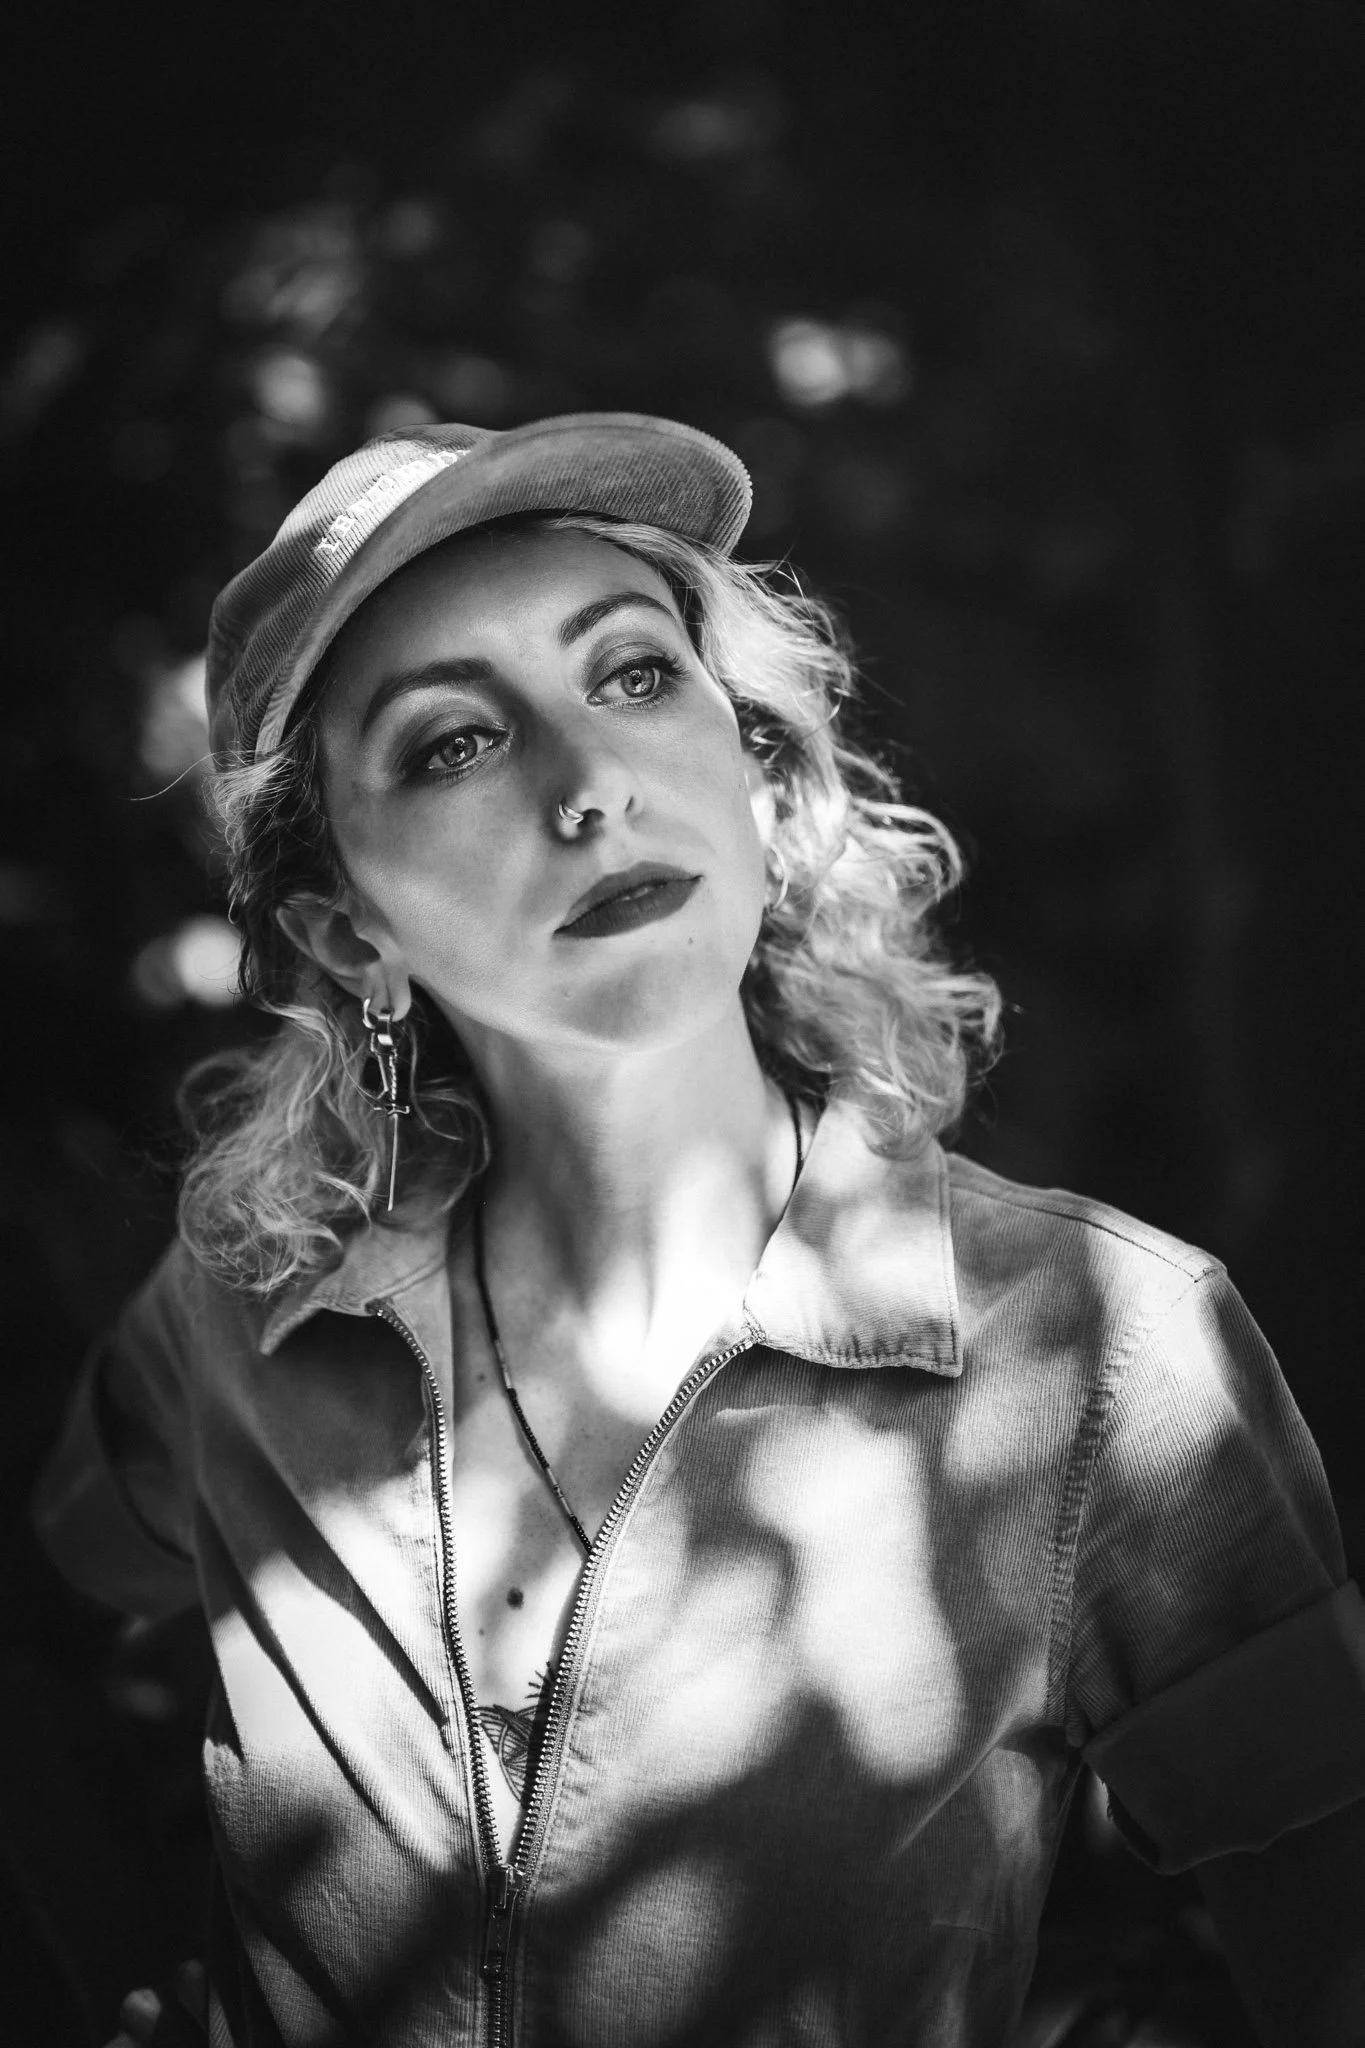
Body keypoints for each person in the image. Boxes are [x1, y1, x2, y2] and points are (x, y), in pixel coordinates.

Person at [33, 413, 1365, 2048]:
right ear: (349, 932)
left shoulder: (1103, 1344)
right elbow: (58, 1613)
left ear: (755, 767)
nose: (589, 783)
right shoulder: (237, 1315)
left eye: (635, 674)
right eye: (454, 743)